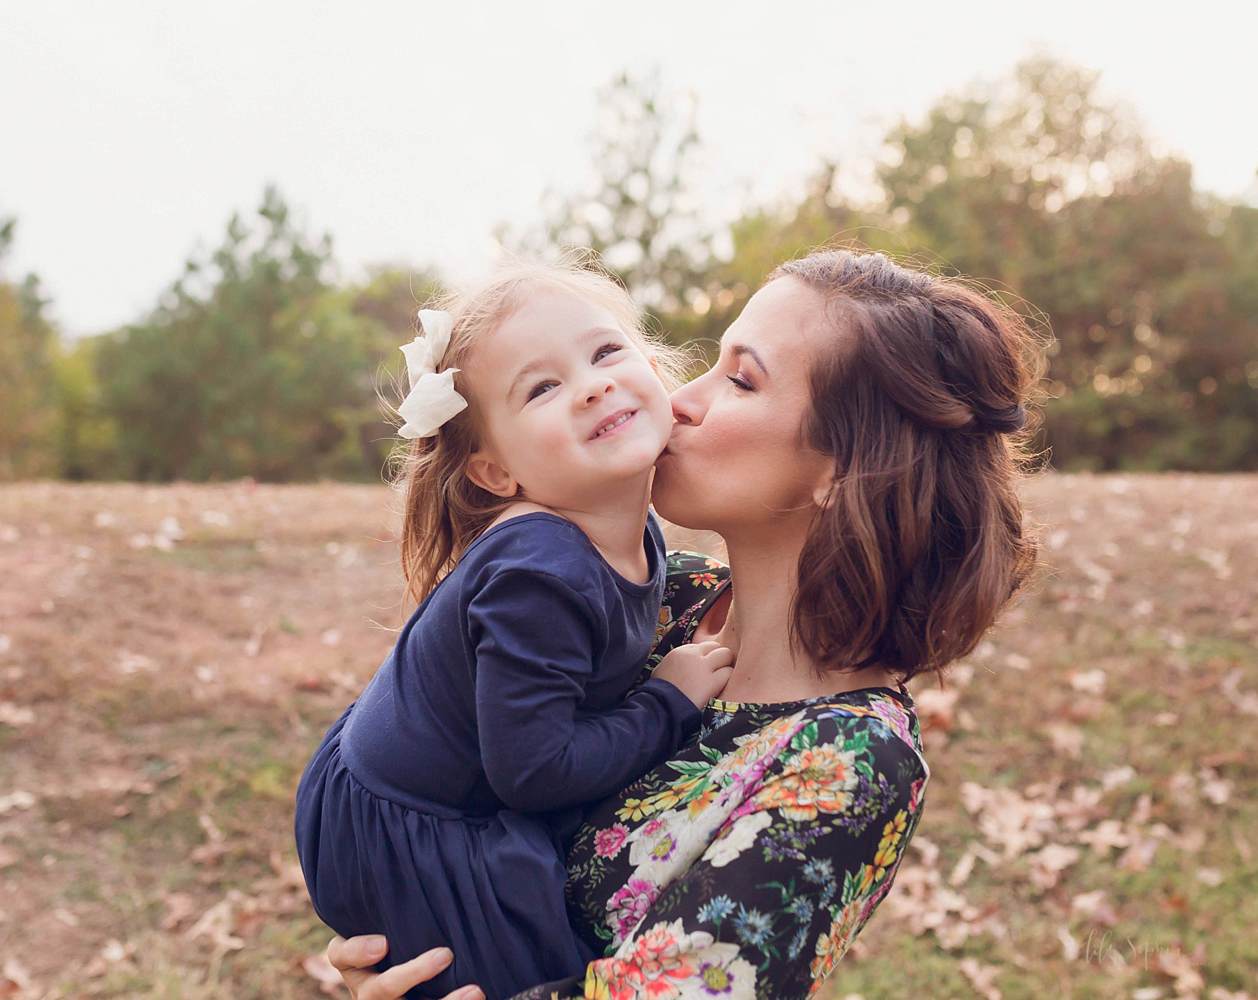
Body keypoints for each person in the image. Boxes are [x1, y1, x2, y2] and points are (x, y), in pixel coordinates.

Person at [325, 247, 1043, 1000]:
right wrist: (394, 933)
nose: (682, 399)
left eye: (740, 378)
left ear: (847, 468)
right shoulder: (655, 596)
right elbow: (426, 751)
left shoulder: (851, 762)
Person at [294, 259, 738, 1000]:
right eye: (542, 387)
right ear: (497, 473)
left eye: (604, 353)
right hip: (412, 820)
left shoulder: (635, 532)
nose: (592, 384)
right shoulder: (540, 567)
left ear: (654, 370)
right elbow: (532, 770)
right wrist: (667, 703)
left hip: (448, 784)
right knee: (529, 980)